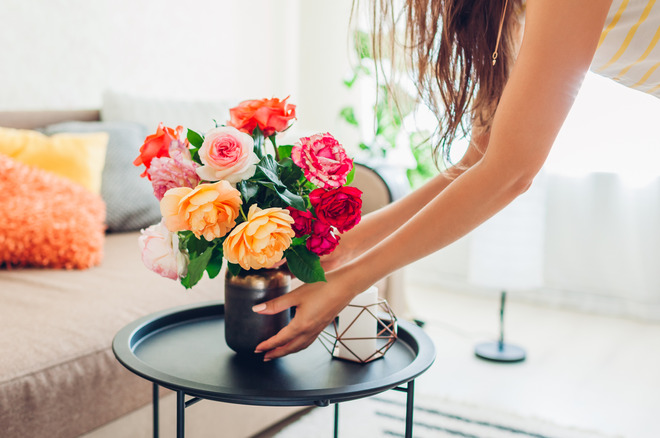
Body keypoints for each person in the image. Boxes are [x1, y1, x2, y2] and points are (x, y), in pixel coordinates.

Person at [253, 0, 660, 361]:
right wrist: (349, 245)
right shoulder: (505, 9)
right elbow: (479, 159)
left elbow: (512, 172)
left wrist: (347, 283)